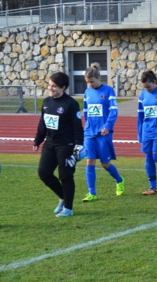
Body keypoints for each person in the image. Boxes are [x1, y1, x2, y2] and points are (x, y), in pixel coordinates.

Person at [33, 72, 84, 218]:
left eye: (54, 86)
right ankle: (63, 197)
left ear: (63, 87)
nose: (50, 88)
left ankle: (68, 208)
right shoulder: (47, 102)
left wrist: (78, 145)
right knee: (44, 173)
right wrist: (38, 139)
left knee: (66, 176)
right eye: (49, 85)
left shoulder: (71, 104)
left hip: (66, 145)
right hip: (50, 143)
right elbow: (43, 123)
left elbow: (77, 126)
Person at [81, 64, 124, 203]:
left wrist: (107, 125)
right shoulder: (87, 92)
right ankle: (91, 193)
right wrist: (88, 125)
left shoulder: (108, 90)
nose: (90, 85)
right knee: (89, 161)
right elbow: (86, 111)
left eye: (92, 82)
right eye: (88, 83)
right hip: (89, 132)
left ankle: (119, 180)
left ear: (99, 78)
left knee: (105, 164)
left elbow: (113, 111)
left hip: (103, 132)